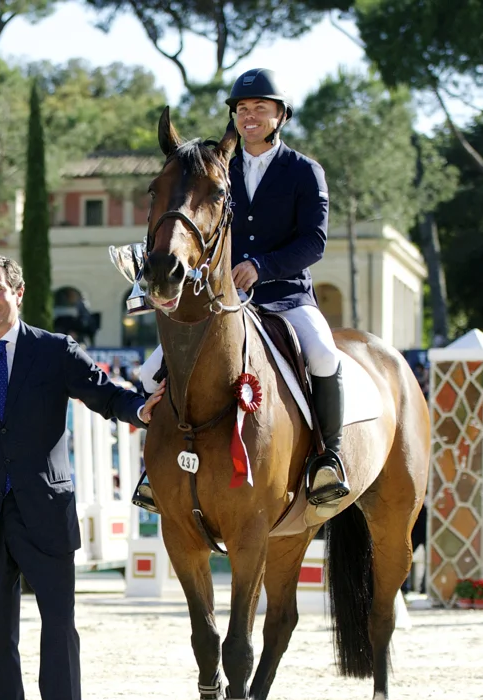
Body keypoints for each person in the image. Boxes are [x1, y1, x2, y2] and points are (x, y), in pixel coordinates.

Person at [0, 255, 164, 700]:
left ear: (17, 291)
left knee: (58, 636)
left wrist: (140, 410)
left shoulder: (54, 350)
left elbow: (101, 392)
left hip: (45, 512)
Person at [125, 67, 341, 513]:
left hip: (285, 296)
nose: (250, 116)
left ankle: (326, 458)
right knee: (150, 374)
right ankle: (159, 471)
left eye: (260, 108)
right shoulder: (218, 171)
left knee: (323, 353)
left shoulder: (304, 171)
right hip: (222, 301)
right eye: (243, 109)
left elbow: (313, 241)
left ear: (280, 115)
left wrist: (262, 267)